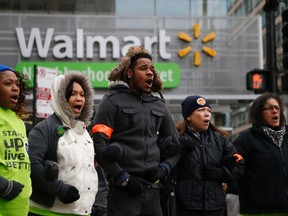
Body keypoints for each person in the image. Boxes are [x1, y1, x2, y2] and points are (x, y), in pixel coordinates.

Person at [91, 45, 182, 216]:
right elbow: (99, 145)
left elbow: (176, 147)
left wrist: (163, 169)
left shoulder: (159, 105)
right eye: (143, 68)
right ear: (130, 73)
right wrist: (122, 178)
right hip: (123, 194)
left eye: (151, 69)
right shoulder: (111, 101)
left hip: (153, 193)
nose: (150, 72)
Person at [28, 72, 98, 216]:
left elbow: (91, 170)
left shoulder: (84, 132)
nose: (79, 98)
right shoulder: (44, 129)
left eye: (83, 95)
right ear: (61, 98)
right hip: (46, 212)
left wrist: (99, 202)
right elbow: (32, 165)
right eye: (73, 94)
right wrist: (59, 189)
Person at [174, 95, 245, 216]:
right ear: (188, 116)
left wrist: (221, 173)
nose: (207, 114)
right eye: (201, 110)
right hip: (185, 208)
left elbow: (240, 165)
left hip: (215, 208)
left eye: (209, 110)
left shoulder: (221, 140)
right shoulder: (177, 139)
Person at [233, 93, 288, 216]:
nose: (274, 111)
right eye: (269, 108)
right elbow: (232, 170)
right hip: (259, 211)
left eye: (277, 107)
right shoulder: (246, 139)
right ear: (259, 113)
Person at [0, 64, 32, 216]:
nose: (15, 88)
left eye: (17, 84)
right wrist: (2, 185)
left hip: (20, 208)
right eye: (8, 83)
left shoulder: (18, 120)